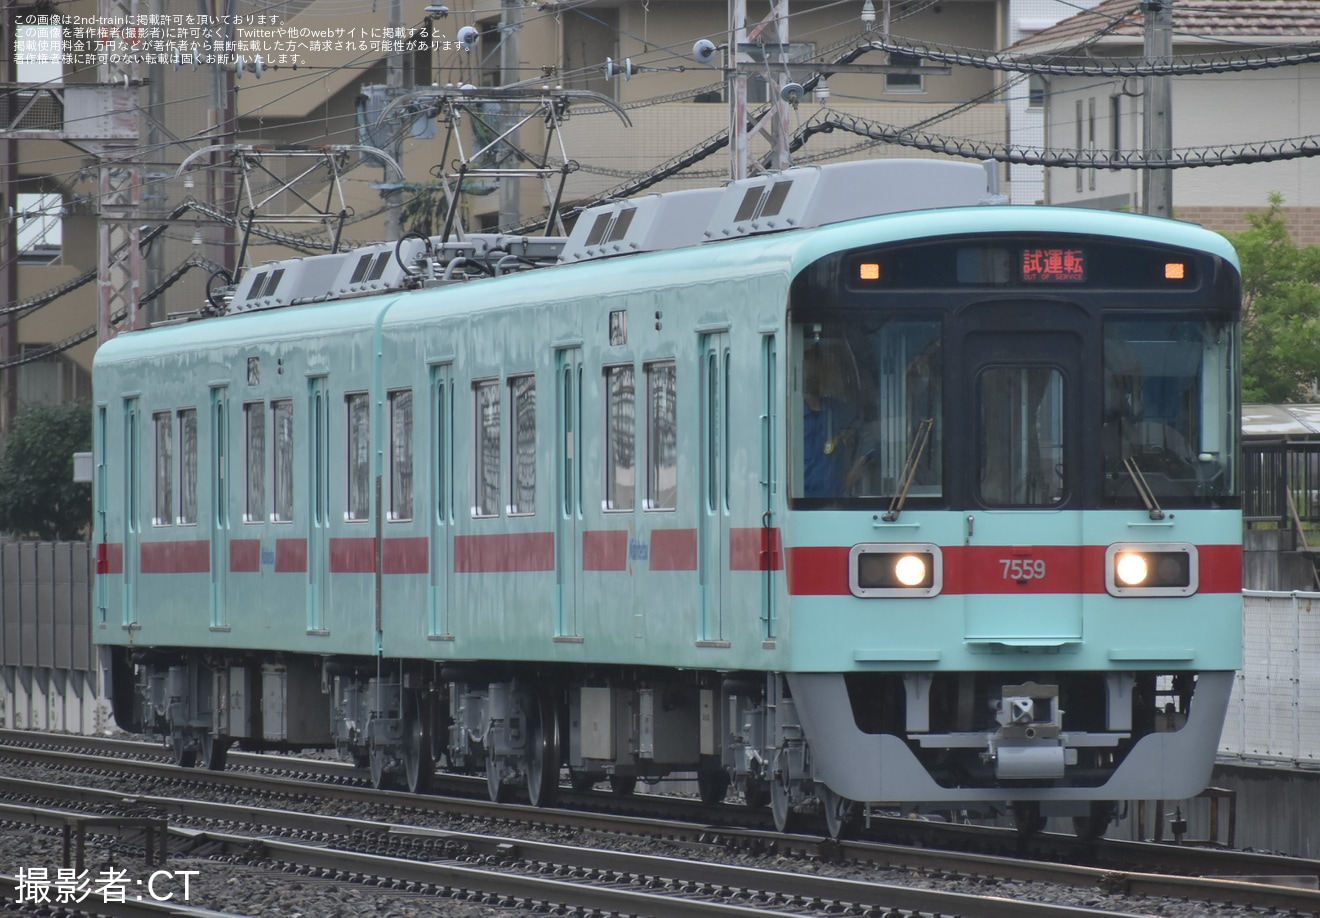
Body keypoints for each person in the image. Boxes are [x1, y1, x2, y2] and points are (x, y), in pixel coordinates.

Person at [802, 346, 858, 498]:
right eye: (808, 370)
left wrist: (853, 470)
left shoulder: (839, 410)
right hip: (800, 501)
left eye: (817, 371)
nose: (812, 376)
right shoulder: (791, 414)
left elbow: (866, 434)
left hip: (835, 499)